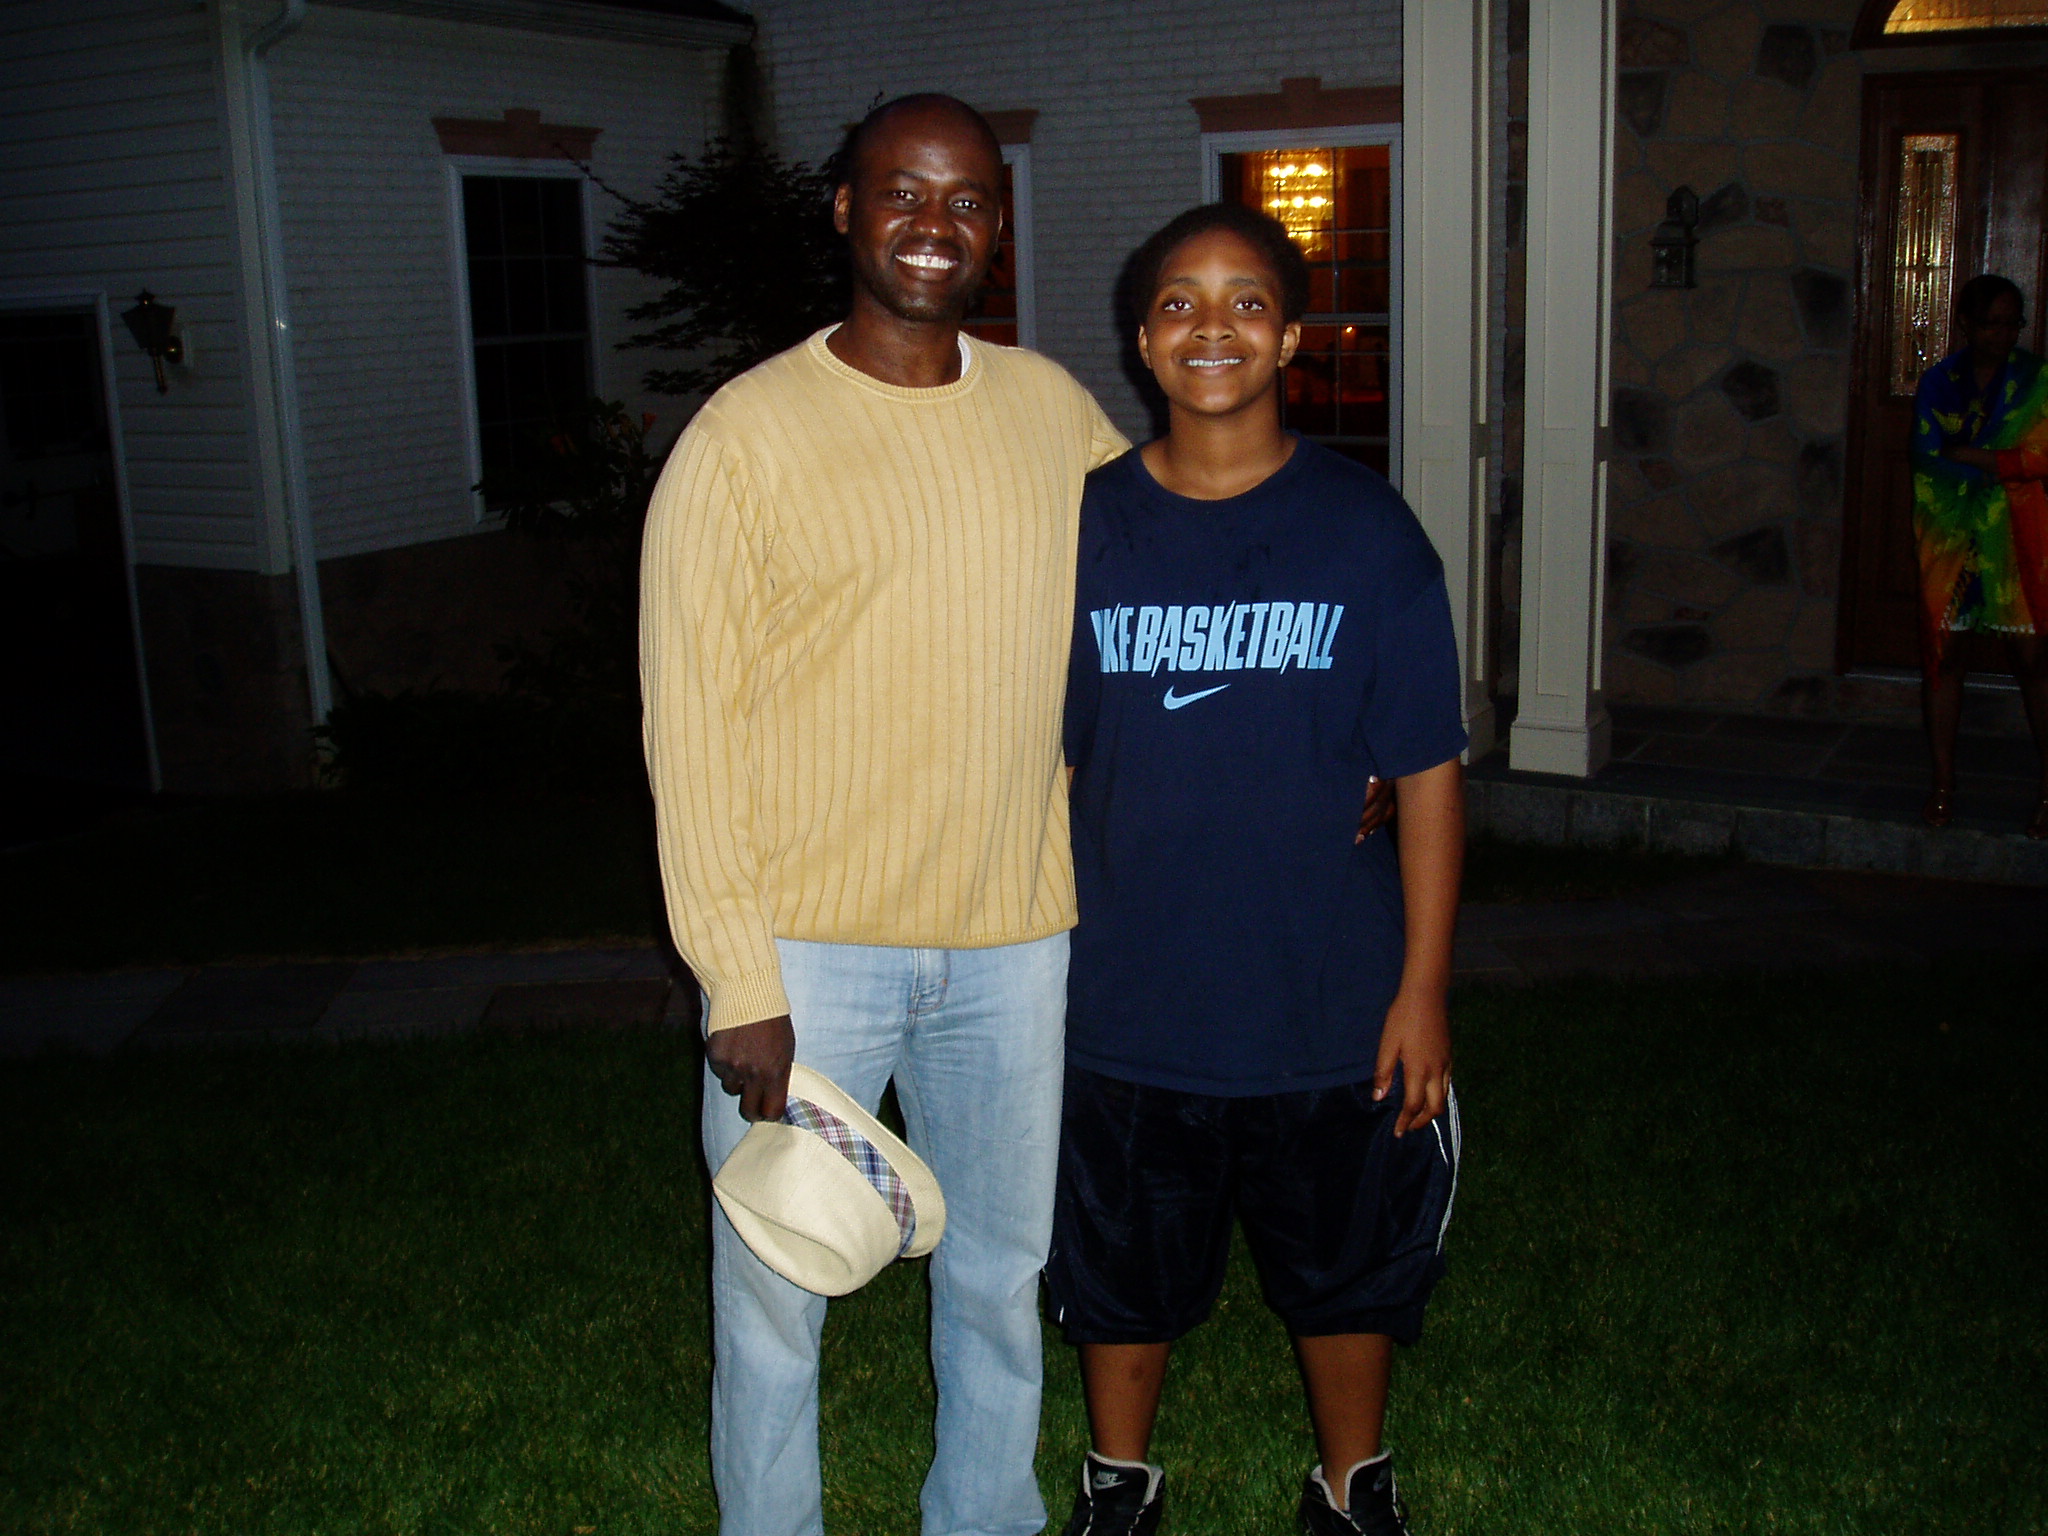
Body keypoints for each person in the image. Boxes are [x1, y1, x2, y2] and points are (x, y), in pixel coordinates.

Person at [638, 94, 1127, 1536]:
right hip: (811, 959)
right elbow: (690, 731)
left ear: (997, 228)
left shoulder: (1053, 415)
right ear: (845, 210)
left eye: (968, 200)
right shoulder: (744, 438)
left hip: (1010, 944)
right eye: (902, 193)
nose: (935, 224)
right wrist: (741, 980)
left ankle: (987, 1517)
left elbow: (1179, 575)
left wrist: (1325, 721)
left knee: (998, 1276)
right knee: (779, 1296)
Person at [1047, 203, 1467, 1536]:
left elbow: (1430, 777)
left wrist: (1423, 991)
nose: (1210, 327)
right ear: (1140, 337)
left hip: (1324, 1001)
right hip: (1126, 997)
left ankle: (1352, 1482)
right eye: (1179, 302)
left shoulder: (1368, 533)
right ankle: (1122, 1484)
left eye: (1243, 302)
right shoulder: (1083, 530)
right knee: (1121, 1264)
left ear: (1289, 335)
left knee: (1345, 1264)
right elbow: (1041, 761)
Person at [1909, 272, 2048, 837]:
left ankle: (2047, 790)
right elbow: (1929, 458)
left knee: (2035, 662)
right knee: (1947, 659)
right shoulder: (1940, 382)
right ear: (1966, 323)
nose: (2004, 333)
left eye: (2013, 322)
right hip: (1952, 539)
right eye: (1993, 322)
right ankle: (1942, 782)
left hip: (2020, 539)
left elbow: (2041, 458)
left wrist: (1980, 456)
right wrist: (2003, 461)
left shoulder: (2039, 380)